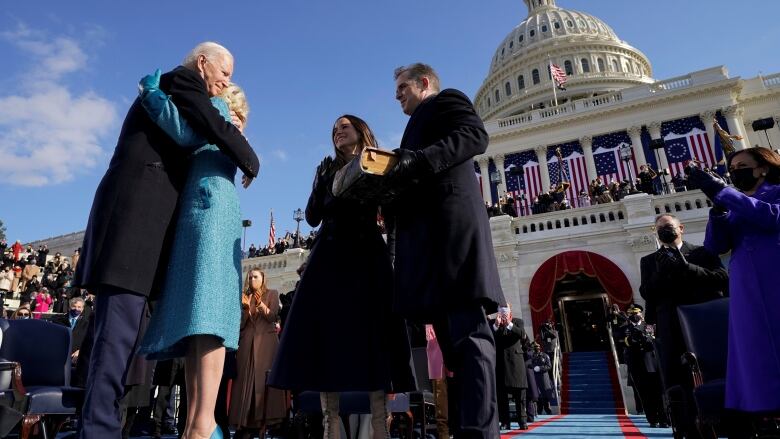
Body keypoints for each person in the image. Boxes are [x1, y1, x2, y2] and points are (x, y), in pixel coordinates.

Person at [74, 41, 259, 439]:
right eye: (224, 73)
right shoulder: (181, 83)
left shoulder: (180, 94)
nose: (226, 82)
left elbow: (196, 132)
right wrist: (247, 155)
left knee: (124, 341)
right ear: (203, 63)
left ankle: (109, 426)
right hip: (134, 228)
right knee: (117, 339)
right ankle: (101, 430)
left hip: (153, 231)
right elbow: (195, 132)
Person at [270, 114, 415, 439]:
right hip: (330, 258)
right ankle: (329, 428)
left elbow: (391, 213)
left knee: (375, 342)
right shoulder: (326, 168)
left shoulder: (378, 162)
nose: (337, 132)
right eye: (334, 129)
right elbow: (311, 217)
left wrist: (391, 258)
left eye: (344, 127)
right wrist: (320, 180)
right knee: (327, 343)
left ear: (361, 132)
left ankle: (381, 428)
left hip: (367, 257)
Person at [133, 73, 258, 439]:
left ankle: (200, 424)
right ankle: (200, 424)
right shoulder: (230, 126)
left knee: (206, 322)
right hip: (212, 208)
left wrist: (153, 95)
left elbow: (183, 132)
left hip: (206, 210)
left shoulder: (216, 110)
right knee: (205, 323)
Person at [388, 63, 505, 438]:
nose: (397, 95)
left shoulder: (447, 100)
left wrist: (418, 160)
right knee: (452, 354)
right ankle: (457, 428)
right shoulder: (412, 125)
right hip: (426, 247)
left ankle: (480, 431)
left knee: (470, 338)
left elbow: (475, 136)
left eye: (402, 87)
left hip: (453, 234)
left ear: (424, 83)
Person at [688, 148, 780, 414]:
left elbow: (771, 217)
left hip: (773, 274)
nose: (735, 171)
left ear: (763, 168)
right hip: (746, 283)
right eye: (733, 167)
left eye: (742, 165)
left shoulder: (773, 193)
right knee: (754, 342)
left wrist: (726, 193)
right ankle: (763, 406)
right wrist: (717, 211)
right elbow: (715, 245)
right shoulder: (735, 201)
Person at [229, 269, 287, 438]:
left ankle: (265, 423)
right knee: (245, 384)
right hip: (247, 344)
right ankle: (245, 423)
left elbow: (273, 316)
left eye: (255, 276)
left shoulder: (272, 293)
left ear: (263, 279)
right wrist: (246, 309)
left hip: (266, 345)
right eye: (250, 277)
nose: (252, 279)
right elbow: (240, 325)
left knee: (262, 384)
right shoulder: (245, 296)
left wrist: (260, 304)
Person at [618, 305, 668, 428]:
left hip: (651, 363)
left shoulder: (649, 325)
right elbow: (621, 342)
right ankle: (652, 419)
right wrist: (632, 339)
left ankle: (663, 418)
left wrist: (647, 340)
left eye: (637, 313)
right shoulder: (625, 328)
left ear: (641, 313)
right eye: (632, 314)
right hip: (636, 364)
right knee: (644, 393)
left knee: (658, 392)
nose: (635, 316)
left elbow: (654, 340)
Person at [492, 309, 530, 430]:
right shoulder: (495, 324)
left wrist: (509, 323)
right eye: (501, 313)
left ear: (510, 313)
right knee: (502, 397)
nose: (503, 316)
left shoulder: (518, 322)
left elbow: (521, 334)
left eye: (505, 313)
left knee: (520, 396)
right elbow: (488, 339)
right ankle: (505, 421)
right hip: (501, 364)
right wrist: (496, 326)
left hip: (516, 364)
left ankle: (522, 421)